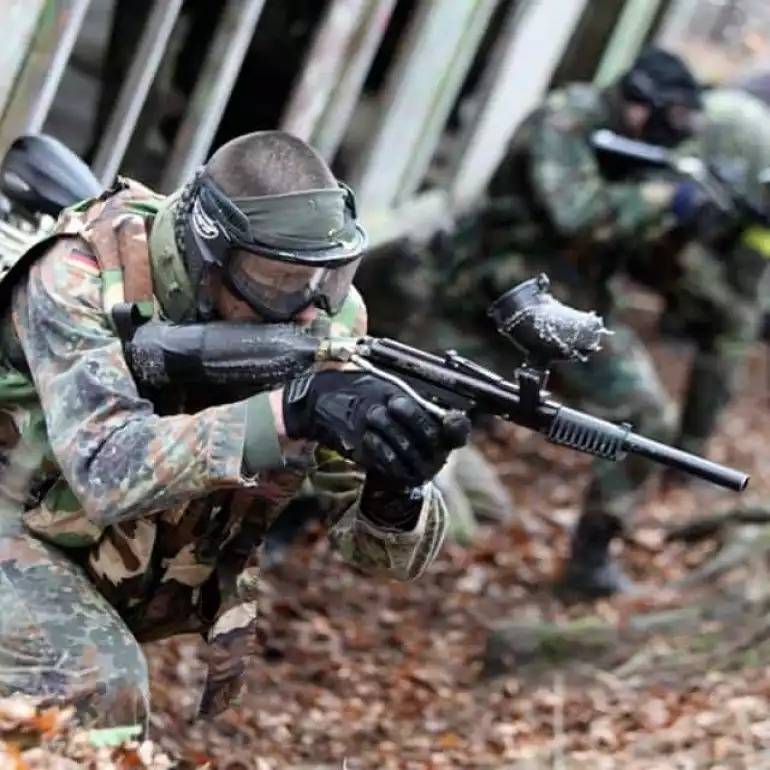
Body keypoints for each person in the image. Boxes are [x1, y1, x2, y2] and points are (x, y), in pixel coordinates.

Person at [0, 130, 470, 730]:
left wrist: (394, 489)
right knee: (96, 682)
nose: (308, 310)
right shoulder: (77, 275)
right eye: (277, 283)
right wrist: (282, 416)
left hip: (67, 548)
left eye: (328, 278)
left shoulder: (322, 315)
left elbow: (379, 557)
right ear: (210, 254)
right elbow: (105, 469)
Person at [420, 46, 711, 600]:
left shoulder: (639, 150)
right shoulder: (567, 116)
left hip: (560, 307)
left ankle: (591, 557)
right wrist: (660, 197)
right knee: (413, 404)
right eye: (671, 117)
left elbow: (643, 262)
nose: (674, 132)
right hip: (492, 297)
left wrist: (688, 225)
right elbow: (575, 213)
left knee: (643, 411)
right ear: (641, 103)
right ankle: (298, 519)